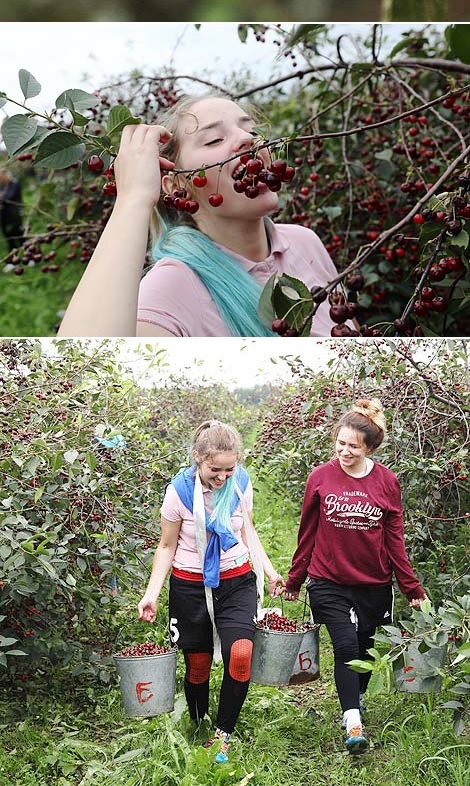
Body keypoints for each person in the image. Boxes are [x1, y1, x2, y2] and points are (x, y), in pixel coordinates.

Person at [57, 92, 356, 338]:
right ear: (179, 186)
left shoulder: (304, 242)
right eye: (214, 140)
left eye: (250, 130)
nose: (247, 139)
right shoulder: (173, 286)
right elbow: (81, 360)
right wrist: (133, 198)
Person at [283, 398, 426, 755]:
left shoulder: (386, 482)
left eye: (353, 446)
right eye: (341, 443)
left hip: (372, 583)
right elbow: (308, 532)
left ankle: (356, 696)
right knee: (345, 646)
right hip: (328, 579)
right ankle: (352, 722)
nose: (344, 451)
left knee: (364, 649)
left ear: (370, 448)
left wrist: (410, 586)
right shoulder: (320, 477)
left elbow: (395, 538)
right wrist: (295, 579)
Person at [138, 419, 283, 762]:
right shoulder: (179, 492)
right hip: (190, 585)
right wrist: (151, 594)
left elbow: (247, 531)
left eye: (229, 469)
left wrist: (271, 571)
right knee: (198, 667)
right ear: (197, 458)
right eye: (214, 469)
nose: (222, 477)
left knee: (241, 653)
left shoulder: (240, 484)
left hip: (236, 580)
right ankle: (199, 720)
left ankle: (222, 734)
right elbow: (166, 546)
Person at [0, 168, 24, 257]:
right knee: (8, 236)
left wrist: (2, 196)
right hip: (4, 215)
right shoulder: (3, 185)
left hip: (14, 215)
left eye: (1, 177)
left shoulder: (14, 183)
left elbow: (8, 197)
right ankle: (13, 257)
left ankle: (26, 254)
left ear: (6, 175)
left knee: (19, 235)